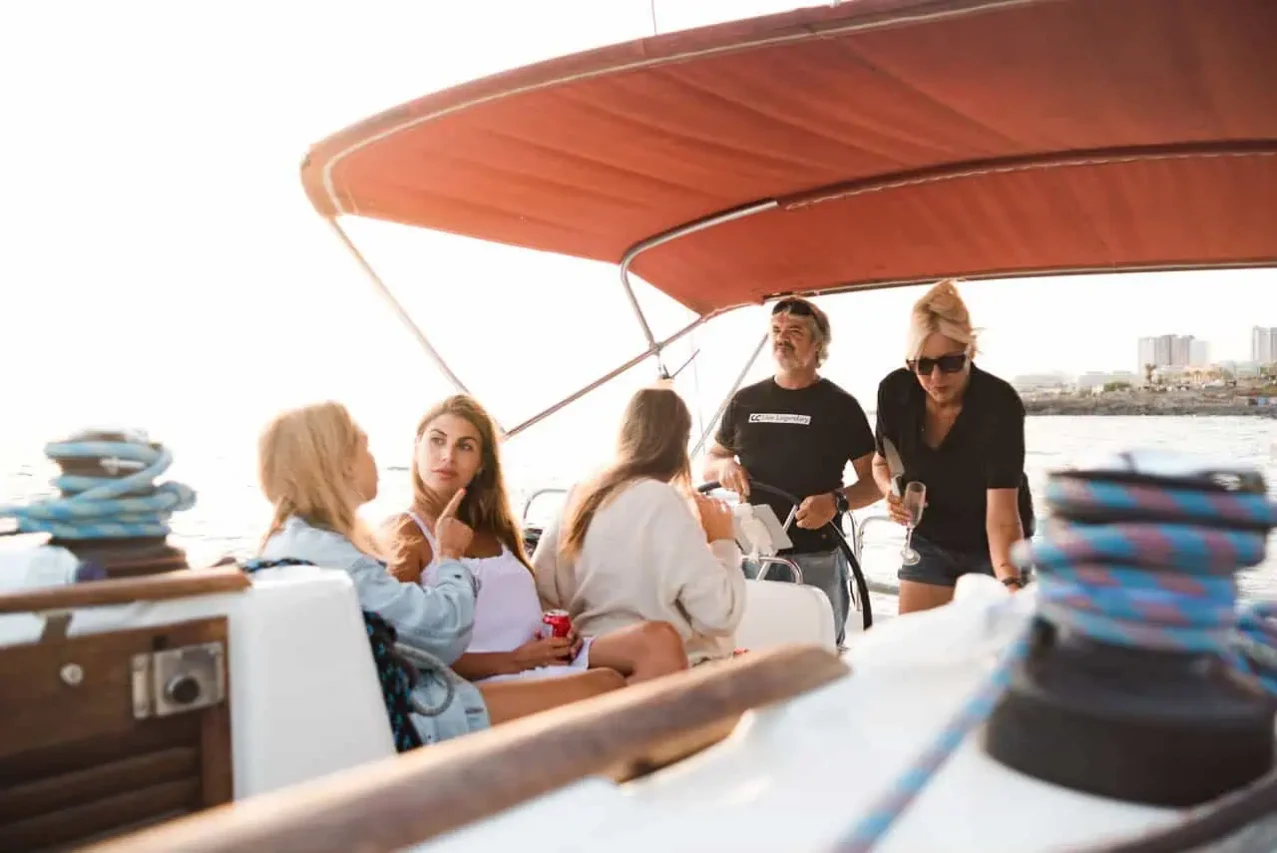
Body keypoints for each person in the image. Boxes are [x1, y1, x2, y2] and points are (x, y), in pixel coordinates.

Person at [257, 401, 624, 745]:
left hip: (398, 700)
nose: (375, 459)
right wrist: (449, 556)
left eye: (465, 446)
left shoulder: (298, 543)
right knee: (605, 686)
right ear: (339, 464)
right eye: (364, 448)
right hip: (420, 709)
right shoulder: (339, 554)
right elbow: (442, 635)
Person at [380, 394, 688, 684]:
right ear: (417, 446)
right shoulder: (405, 532)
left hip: (542, 659)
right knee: (605, 685)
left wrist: (561, 631)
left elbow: (514, 609)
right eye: (437, 440)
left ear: (481, 465)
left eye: (465, 446)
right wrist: (515, 660)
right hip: (494, 677)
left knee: (659, 640)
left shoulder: (495, 530)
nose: (447, 455)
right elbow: (404, 650)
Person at [702, 296, 878, 645]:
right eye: (776, 330)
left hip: (818, 556)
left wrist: (836, 502)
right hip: (753, 553)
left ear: (818, 345)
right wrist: (725, 466)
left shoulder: (841, 406)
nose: (782, 338)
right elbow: (713, 459)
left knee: (819, 660)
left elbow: (875, 482)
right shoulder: (745, 400)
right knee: (751, 652)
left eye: (794, 331)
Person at [532, 386, 747, 666]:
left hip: (590, 664)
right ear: (680, 445)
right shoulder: (665, 502)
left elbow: (543, 590)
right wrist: (722, 542)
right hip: (663, 670)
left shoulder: (580, 494)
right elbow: (720, 616)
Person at [871, 279, 1034, 614]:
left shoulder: (998, 404)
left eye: (950, 363)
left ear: (969, 353)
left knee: (990, 657)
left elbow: (1003, 516)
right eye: (923, 365)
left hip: (990, 541)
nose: (935, 378)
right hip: (929, 540)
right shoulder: (895, 392)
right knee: (916, 651)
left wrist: (1011, 583)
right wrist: (891, 490)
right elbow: (881, 461)